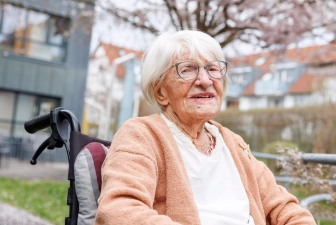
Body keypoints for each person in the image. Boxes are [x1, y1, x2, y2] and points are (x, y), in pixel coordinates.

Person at [94, 30, 316, 225]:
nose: (205, 80)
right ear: (161, 92)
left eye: (212, 68)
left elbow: (283, 207)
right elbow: (118, 211)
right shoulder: (141, 135)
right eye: (188, 69)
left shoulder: (233, 143)